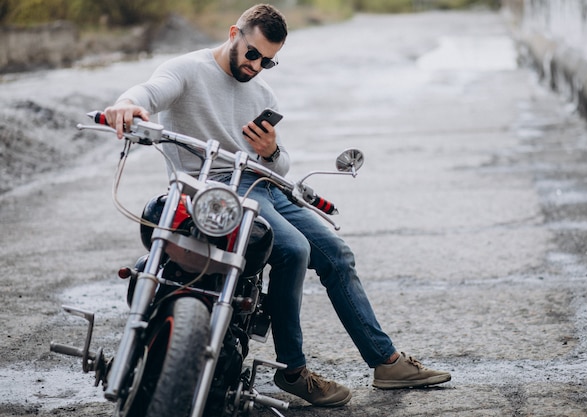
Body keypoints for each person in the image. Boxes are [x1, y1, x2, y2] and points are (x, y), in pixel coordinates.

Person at [104, 3, 451, 407]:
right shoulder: (188, 69)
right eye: (252, 53)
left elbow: (281, 161)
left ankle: (386, 362)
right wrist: (127, 104)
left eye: (268, 61)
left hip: (265, 185)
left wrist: (270, 151)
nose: (256, 66)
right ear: (234, 33)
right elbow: (148, 91)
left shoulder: (262, 91)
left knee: (337, 254)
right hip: (218, 190)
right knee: (294, 250)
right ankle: (294, 370)